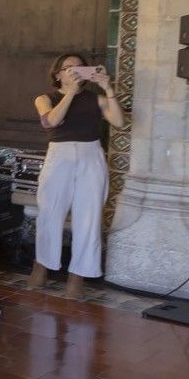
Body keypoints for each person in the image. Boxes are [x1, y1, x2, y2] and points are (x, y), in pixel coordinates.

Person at [31, 54, 126, 300]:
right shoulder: (45, 98)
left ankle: (78, 275)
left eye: (79, 68)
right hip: (59, 156)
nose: (74, 72)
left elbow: (119, 121)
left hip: (91, 155)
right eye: (68, 68)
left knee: (89, 216)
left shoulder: (96, 99)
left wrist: (107, 87)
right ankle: (42, 265)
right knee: (50, 212)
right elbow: (51, 121)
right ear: (57, 74)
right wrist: (70, 93)